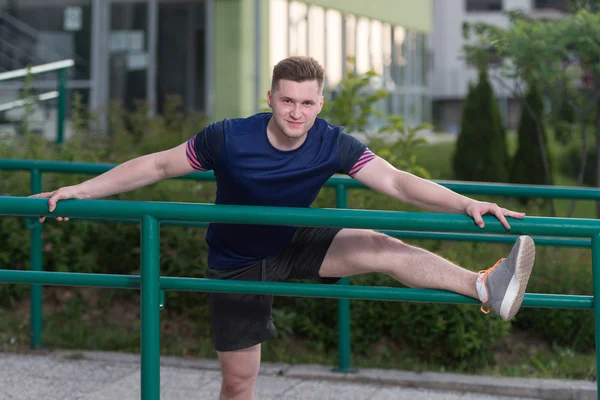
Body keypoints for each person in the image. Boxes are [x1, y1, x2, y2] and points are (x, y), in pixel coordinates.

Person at [32, 56, 535, 400]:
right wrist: (81, 190)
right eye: (288, 101)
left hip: (295, 239)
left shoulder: (332, 142)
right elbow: (159, 166)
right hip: (236, 263)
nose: (297, 113)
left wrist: (465, 202)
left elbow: (399, 184)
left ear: (321, 103)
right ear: (271, 96)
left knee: (379, 244)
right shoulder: (228, 137)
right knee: (239, 383)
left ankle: (484, 285)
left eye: (308, 103)